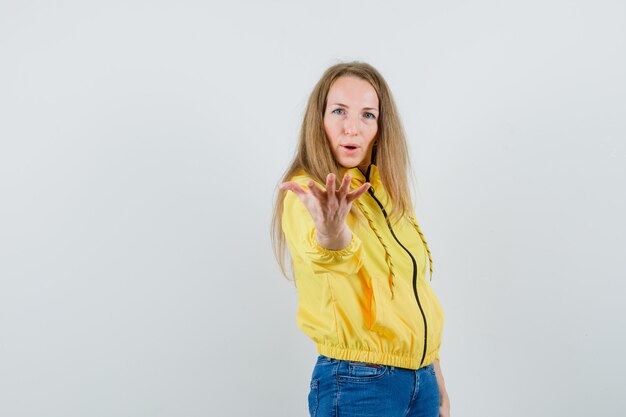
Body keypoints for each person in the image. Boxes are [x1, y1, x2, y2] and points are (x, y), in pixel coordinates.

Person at [272, 61, 450, 417]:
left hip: (422, 383)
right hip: (358, 383)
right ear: (318, 119)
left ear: (381, 128)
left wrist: (438, 387)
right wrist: (332, 232)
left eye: (368, 115)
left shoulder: (389, 193)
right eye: (339, 111)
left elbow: (413, 295)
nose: (352, 127)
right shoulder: (309, 192)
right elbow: (326, 251)